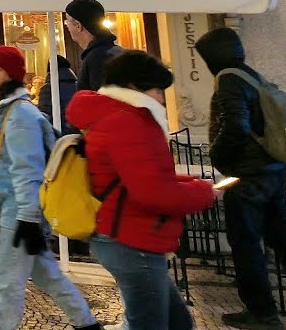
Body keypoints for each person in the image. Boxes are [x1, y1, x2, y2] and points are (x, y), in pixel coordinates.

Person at [66, 51, 221, 330]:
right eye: (158, 90)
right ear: (134, 86)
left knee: (177, 323)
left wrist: (193, 184)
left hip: (126, 233)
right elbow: (151, 191)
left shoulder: (115, 117)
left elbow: (140, 177)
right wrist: (204, 194)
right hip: (131, 238)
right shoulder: (129, 122)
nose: (162, 99)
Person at [196, 27, 286, 330]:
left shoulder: (229, 80)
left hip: (248, 177)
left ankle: (262, 312)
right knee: (285, 242)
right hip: (272, 170)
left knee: (246, 244)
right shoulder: (251, 75)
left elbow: (236, 126)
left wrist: (218, 156)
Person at [0, 46, 101, 330]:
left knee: (7, 281)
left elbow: (27, 169)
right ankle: (86, 323)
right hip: (9, 205)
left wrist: (27, 217)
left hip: (18, 210)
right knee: (46, 274)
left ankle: (0, 326)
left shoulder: (20, 115)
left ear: (13, 74)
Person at [64, 0, 123, 91]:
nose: (67, 26)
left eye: (67, 21)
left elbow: (100, 102)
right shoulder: (119, 52)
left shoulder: (97, 58)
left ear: (78, 25)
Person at [37, 55, 79, 134]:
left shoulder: (48, 88)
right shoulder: (78, 85)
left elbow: (45, 115)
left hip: (58, 133)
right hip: (77, 132)